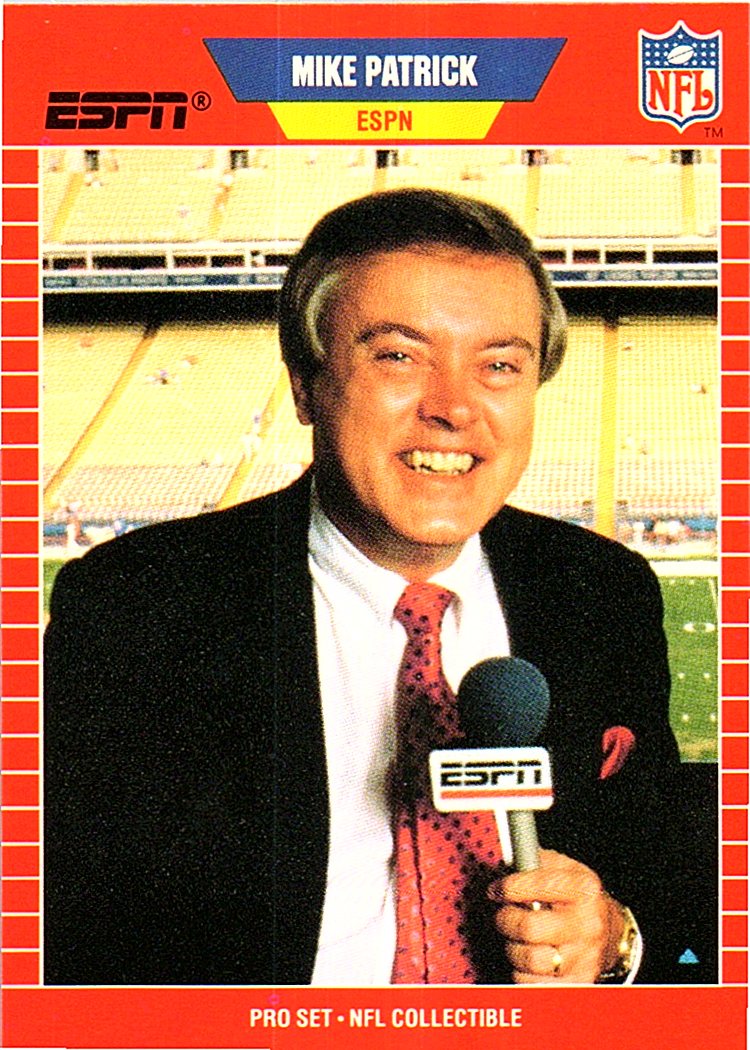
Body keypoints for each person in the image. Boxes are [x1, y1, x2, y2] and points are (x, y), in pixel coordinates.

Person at [44, 188, 689, 987]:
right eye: (398, 357)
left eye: (499, 365)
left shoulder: (601, 592)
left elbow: (669, 880)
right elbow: (71, 940)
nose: (453, 408)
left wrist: (617, 940)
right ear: (305, 384)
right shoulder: (139, 607)